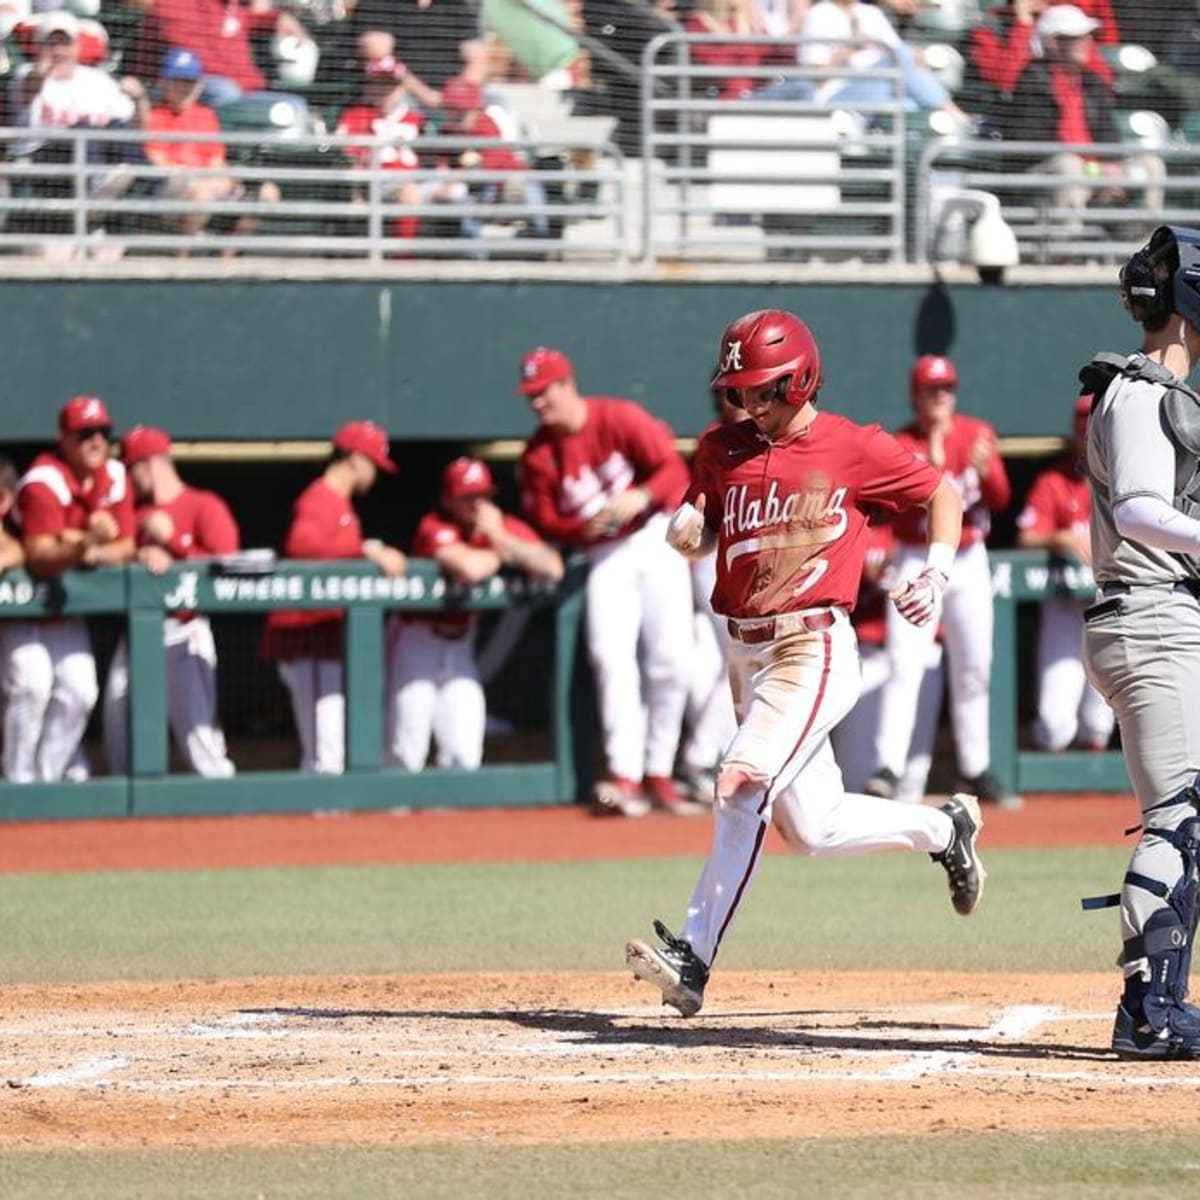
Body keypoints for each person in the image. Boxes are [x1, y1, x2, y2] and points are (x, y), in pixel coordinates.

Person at [624, 309, 986, 1017]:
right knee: (812, 829)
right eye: (740, 392)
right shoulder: (720, 448)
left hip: (812, 643)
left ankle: (693, 959)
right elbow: (707, 528)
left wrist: (937, 573)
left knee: (738, 781)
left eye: (763, 390)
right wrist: (693, 529)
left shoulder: (849, 445)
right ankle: (946, 831)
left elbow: (940, 493)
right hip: (746, 650)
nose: (750, 404)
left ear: (802, 377)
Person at [1072, 223, 1200, 1059]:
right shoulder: (1143, 392)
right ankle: (1150, 1012)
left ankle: (1157, 1003)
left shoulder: (1167, 392)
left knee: (1192, 814)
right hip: (1152, 617)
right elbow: (1142, 513)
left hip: (1164, 616)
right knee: (1180, 818)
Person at [517, 345, 704, 818]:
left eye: (544, 392)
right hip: (602, 553)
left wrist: (637, 495)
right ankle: (626, 774)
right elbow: (546, 518)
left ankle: (659, 770)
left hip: (652, 537)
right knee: (610, 657)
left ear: (566, 384)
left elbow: (673, 470)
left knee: (672, 660)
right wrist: (579, 529)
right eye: (531, 396)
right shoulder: (540, 454)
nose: (538, 403)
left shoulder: (617, 416)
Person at [865, 354, 1018, 808]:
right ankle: (887, 767)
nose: (940, 397)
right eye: (931, 390)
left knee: (974, 665)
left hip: (968, 554)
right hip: (917, 554)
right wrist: (931, 455)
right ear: (916, 395)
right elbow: (893, 504)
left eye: (946, 389)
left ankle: (975, 767)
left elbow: (1001, 498)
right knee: (904, 664)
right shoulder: (900, 442)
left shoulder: (977, 434)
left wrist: (987, 470)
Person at [386, 456, 564, 772]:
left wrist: (501, 538)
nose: (476, 504)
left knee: (465, 749)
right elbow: (469, 568)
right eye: (467, 497)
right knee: (407, 747)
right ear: (447, 499)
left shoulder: (498, 527)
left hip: (459, 645)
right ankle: (390, 817)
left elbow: (552, 567)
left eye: (482, 495)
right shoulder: (434, 525)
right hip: (416, 639)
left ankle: (447, 819)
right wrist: (502, 552)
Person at [1, 396, 136, 783]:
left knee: (80, 690)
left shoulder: (114, 475)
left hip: (66, 606)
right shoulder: (45, 481)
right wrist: (81, 544)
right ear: (64, 439)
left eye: (102, 432)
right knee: (31, 684)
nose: (96, 441)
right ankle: (18, 781)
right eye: (84, 434)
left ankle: (46, 779)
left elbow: (129, 546)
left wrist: (89, 549)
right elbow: (39, 556)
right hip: (22, 603)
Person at [260, 420, 407, 774]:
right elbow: (303, 545)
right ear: (355, 458)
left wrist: (363, 548)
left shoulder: (340, 504)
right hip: (304, 636)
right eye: (373, 464)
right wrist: (366, 551)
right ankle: (322, 823)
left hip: (323, 637)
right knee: (324, 752)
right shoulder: (319, 498)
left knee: (330, 748)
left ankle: (328, 820)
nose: (375, 474)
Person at [102, 425, 239, 778]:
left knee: (200, 740)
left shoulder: (203, 505)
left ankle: (228, 811)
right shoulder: (134, 514)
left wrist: (176, 544)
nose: (131, 480)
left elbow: (230, 569)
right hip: (136, 631)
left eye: (132, 469)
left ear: (148, 465)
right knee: (119, 733)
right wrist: (136, 552)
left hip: (184, 630)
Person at [998, 5, 1164, 230]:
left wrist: (1112, 165)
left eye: (1086, 37)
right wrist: (1095, 168)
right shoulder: (1031, 82)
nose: (1085, 42)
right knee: (1070, 165)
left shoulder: (1092, 83)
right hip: (1047, 173)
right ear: (1052, 43)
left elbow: (1109, 135)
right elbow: (1033, 146)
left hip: (1092, 170)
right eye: (1074, 38)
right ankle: (1067, 250)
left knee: (1151, 164)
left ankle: (1146, 246)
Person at [1016, 395, 1114, 753]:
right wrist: (1059, 536)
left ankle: (1091, 807)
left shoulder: (1125, 474)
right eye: (1082, 426)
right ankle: (1049, 806)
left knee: (1099, 725)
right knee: (1056, 725)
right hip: (1064, 606)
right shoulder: (1055, 480)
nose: (1088, 434)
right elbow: (1025, 537)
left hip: (1110, 601)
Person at [830, 517, 945, 799]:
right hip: (865, 652)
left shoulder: (918, 537)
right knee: (854, 777)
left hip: (917, 656)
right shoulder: (857, 524)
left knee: (912, 780)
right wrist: (874, 574)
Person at [145, 48, 279, 248]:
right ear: (164, 82)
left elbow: (217, 161)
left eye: (190, 81)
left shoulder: (206, 115)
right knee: (201, 194)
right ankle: (182, 259)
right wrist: (198, 180)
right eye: (178, 81)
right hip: (170, 190)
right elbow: (158, 161)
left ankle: (227, 260)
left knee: (266, 192)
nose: (185, 88)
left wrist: (226, 182)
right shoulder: (153, 115)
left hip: (208, 185)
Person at [131, 0, 314, 108]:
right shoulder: (174, 5)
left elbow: (248, 18)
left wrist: (278, 17)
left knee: (293, 105)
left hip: (244, 89)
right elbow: (196, 57)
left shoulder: (228, 7)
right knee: (224, 90)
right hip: (186, 87)